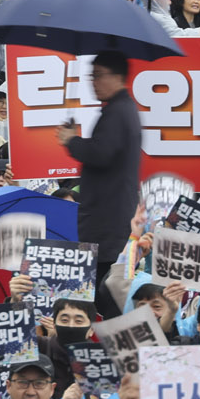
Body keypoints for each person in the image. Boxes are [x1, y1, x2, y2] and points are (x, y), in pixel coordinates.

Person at [56, 50, 141, 287]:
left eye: (99, 75)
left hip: (107, 225)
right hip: (110, 221)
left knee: (105, 292)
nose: (93, 82)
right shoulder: (120, 108)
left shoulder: (118, 111)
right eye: (91, 76)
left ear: (118, 76)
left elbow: (101, 153)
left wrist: (72, 141)